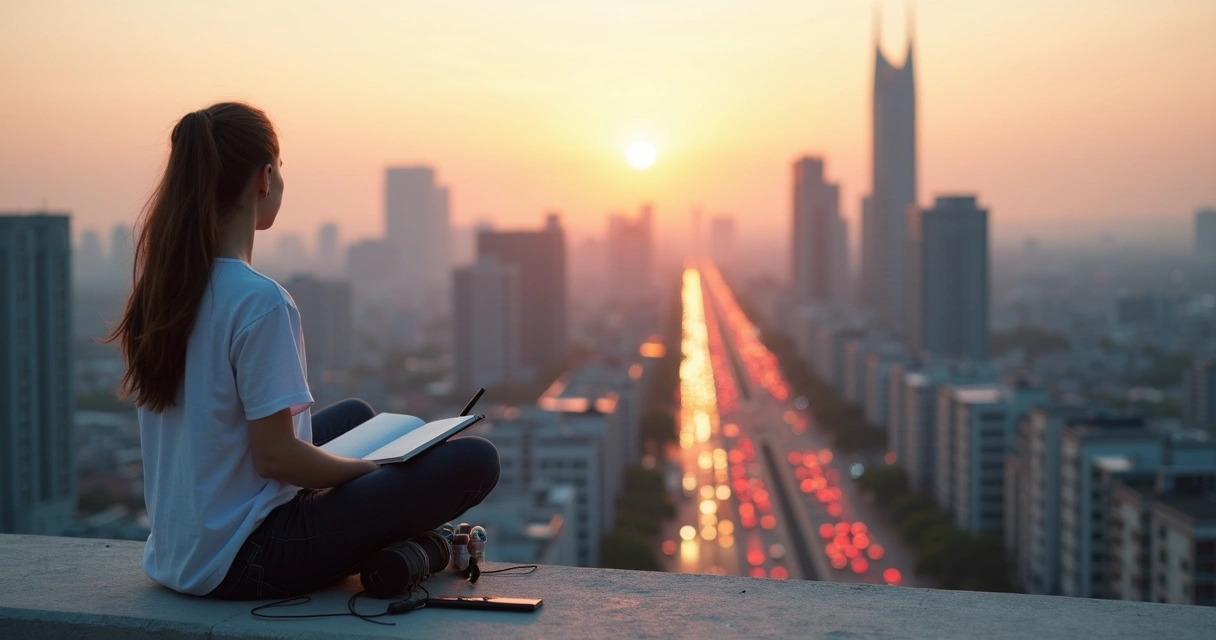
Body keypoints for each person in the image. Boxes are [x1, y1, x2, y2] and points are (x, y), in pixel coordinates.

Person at [106, 102, 499, 600]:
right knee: (475, 461)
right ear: (265, 179)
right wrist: (367, 473)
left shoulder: (165, 289)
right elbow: (275, 458)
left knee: (358, 415)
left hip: (181, 552)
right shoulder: (259, 300)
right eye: (282, 170)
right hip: (248, 557)